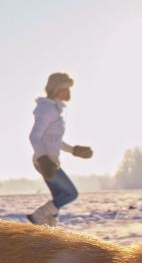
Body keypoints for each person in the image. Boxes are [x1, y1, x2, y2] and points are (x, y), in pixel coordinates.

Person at [27, 72, 93, 226]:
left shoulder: (54, 109)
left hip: (49, 161)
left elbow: (54, 140)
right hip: (45, 161)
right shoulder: (47, 110)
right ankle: (39, 216)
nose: (69, 92)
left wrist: (74, 150)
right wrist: (43, 159)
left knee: (59, 196)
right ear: (57, 89)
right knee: (71, 193)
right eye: (66, 88)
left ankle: (48, 227)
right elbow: (34, 136)